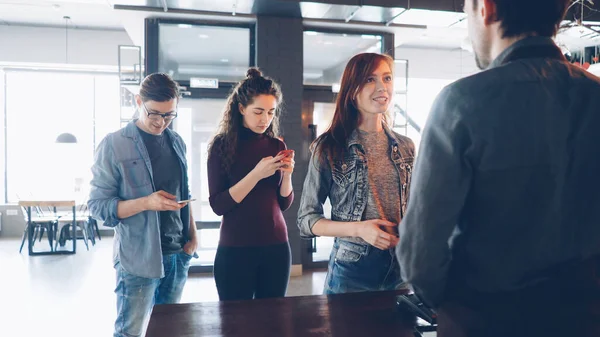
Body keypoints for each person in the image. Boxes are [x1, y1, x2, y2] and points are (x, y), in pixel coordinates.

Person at [397, 0, 600, 336]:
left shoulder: (461, 102)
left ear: (486, 8)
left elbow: (420, 252)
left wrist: (451, 305)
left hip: (487, 319)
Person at [88, 73, 197, 337]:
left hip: (177, 253)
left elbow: (185, 191)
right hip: (137, 258)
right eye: (154, 114)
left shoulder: (176, 142)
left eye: (169, 115)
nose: (161, 122)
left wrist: (192, 237)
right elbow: (98, 206)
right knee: (130, 332)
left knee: (169, 330)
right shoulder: (114, 144)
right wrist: (146, 203)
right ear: (138, 101)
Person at [297, 52, 415, 294]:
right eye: (370, 79)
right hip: (352, 272)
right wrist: (359, 229)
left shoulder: (406, 146)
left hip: (400, 269)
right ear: (352, 90)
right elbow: (306, 221)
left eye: (387, 78)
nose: (382, 87)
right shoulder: (329, 147)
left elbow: (415, 207)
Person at [207, 67, 294, 301]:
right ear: (241, 108)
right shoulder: (221, 146)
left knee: (273, 322)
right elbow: (218, 205)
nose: (265, 119)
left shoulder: (276, 146)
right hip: (235, 249)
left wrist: (287, 176)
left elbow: (283, 202)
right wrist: (256, 174)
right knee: (235, 324)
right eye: (258, 112)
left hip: (276, 247)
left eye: (270, 112)